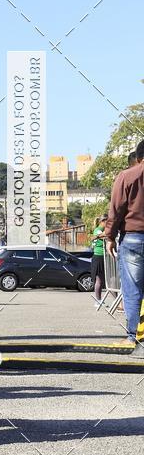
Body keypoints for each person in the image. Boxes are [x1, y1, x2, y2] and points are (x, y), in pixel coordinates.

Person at [105, 139, 144, 357]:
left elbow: (117, 209)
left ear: (138, 158)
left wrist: (110, 236)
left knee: (132, 290)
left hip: (134, 239)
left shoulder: (127, 176)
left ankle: (133, 337)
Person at [90, 215, 107, 303]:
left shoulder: (99, 230)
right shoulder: (99, 230)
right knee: (99, 280)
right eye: (107, 221)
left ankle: (99, 300)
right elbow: (105, 237)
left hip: (101, 256)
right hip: (99, 256)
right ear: (103, 221)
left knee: (105, 279)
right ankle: (98, 300)